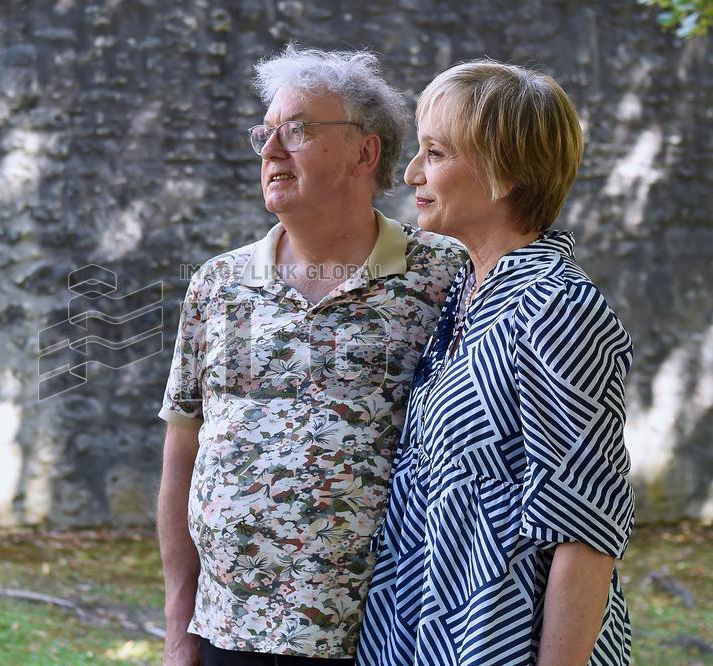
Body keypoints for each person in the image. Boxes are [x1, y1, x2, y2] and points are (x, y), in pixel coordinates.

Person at [157, 45, 463, 665]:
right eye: (264, 134)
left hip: (385, 634)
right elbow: (182, 457)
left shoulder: (445, 276)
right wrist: (179, 626)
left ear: (364, 151)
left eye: (294, 131)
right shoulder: (218, 284)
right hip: (231, 630)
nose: (270, 151)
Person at [355, 60, 635, 666]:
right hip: (417, 635)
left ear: (505, 172)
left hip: (500, 646)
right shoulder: (460, 294)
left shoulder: (559, 309)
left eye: (435, 153)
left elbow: (585, 530)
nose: (411, 173)